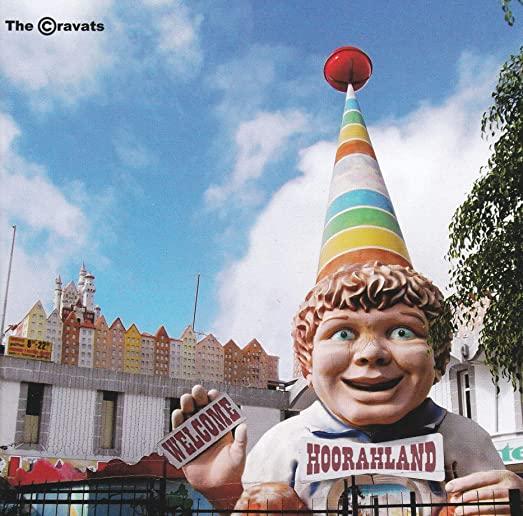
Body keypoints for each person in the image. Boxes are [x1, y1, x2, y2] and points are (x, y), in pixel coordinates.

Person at [172, 262, 523, 513]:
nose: (371, 352)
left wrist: (512, 502)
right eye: (342, 333)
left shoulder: (463, 439)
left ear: (438, 357)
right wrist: (224, 491)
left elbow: (496, 501)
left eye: (402, 331)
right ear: (308, 361)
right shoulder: (285, 442)